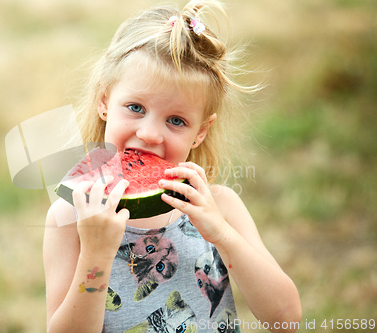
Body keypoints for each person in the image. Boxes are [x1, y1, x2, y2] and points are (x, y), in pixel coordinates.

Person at [43, 0, 302, 332]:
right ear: (104, 101)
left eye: (176, 120)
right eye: (135, 107)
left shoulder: (220, 206)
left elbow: (286, 320)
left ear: (200, 132)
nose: (149, 133)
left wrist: (221, 234)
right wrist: (95, 256)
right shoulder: (71, 218)